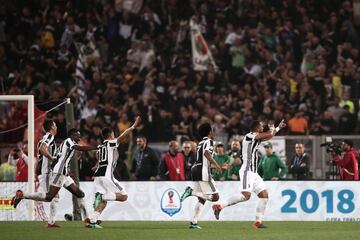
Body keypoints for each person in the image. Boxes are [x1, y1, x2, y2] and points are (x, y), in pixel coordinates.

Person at [212, 120, 286, 229]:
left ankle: (258, 222)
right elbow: (269, 134)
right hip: (247, 170)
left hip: (253, 173)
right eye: (261, 126)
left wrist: (278, 128)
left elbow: (268, 137)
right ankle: (220, 206)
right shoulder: (249, 136)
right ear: (257, 128)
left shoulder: (256, 137)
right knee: (245, 196)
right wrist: (271, 127)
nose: (262, 127)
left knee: (264, 195)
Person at [11, 129, 98, 221]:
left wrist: (66, 170)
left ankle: (87, 220)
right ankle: (22, 195)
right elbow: (80, 148)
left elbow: (57, 160)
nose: (79, 137)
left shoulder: (66, 145)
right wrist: (96, 147)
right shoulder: (69, 141)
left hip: (63, 174)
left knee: (80, 194)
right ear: (72, 135)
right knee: (49, 197)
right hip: (59, 173)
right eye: (78, 135)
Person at [85, 117, 140, 228]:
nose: (115, 136)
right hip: (106, 176)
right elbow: (123, 136)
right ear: (110, 136)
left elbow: (98, 156)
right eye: (114, 135)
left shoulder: (101, 146)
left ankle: (92, 220)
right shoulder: (110, 143)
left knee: (104, 202)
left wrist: (96, 165)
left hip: (98, 176)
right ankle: (103, 196)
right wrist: (133, 126)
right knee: (124, 196)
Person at [180, 123, 222, 229]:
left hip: (195, 169)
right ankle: (191, 191)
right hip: (202, 171)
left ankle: (194, 222)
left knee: (202, 198)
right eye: (212, 130)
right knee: (216, 197)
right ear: (209, 132)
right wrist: (216, 164)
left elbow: (202, 157)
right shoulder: (209, 141)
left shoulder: (200, 143)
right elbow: (206, 154)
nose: (213, 132)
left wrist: (216, 165)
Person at [36, 119, 59, 227]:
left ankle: (51, 222)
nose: (57, 127)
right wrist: (51, 158)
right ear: (52, 127)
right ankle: (23, 196)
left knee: (55, 196)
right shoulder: (49, 136)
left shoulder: (48, 138)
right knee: (49, 196)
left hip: (48, 172)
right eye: (55, 125)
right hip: (45, 172)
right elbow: (42, 148)